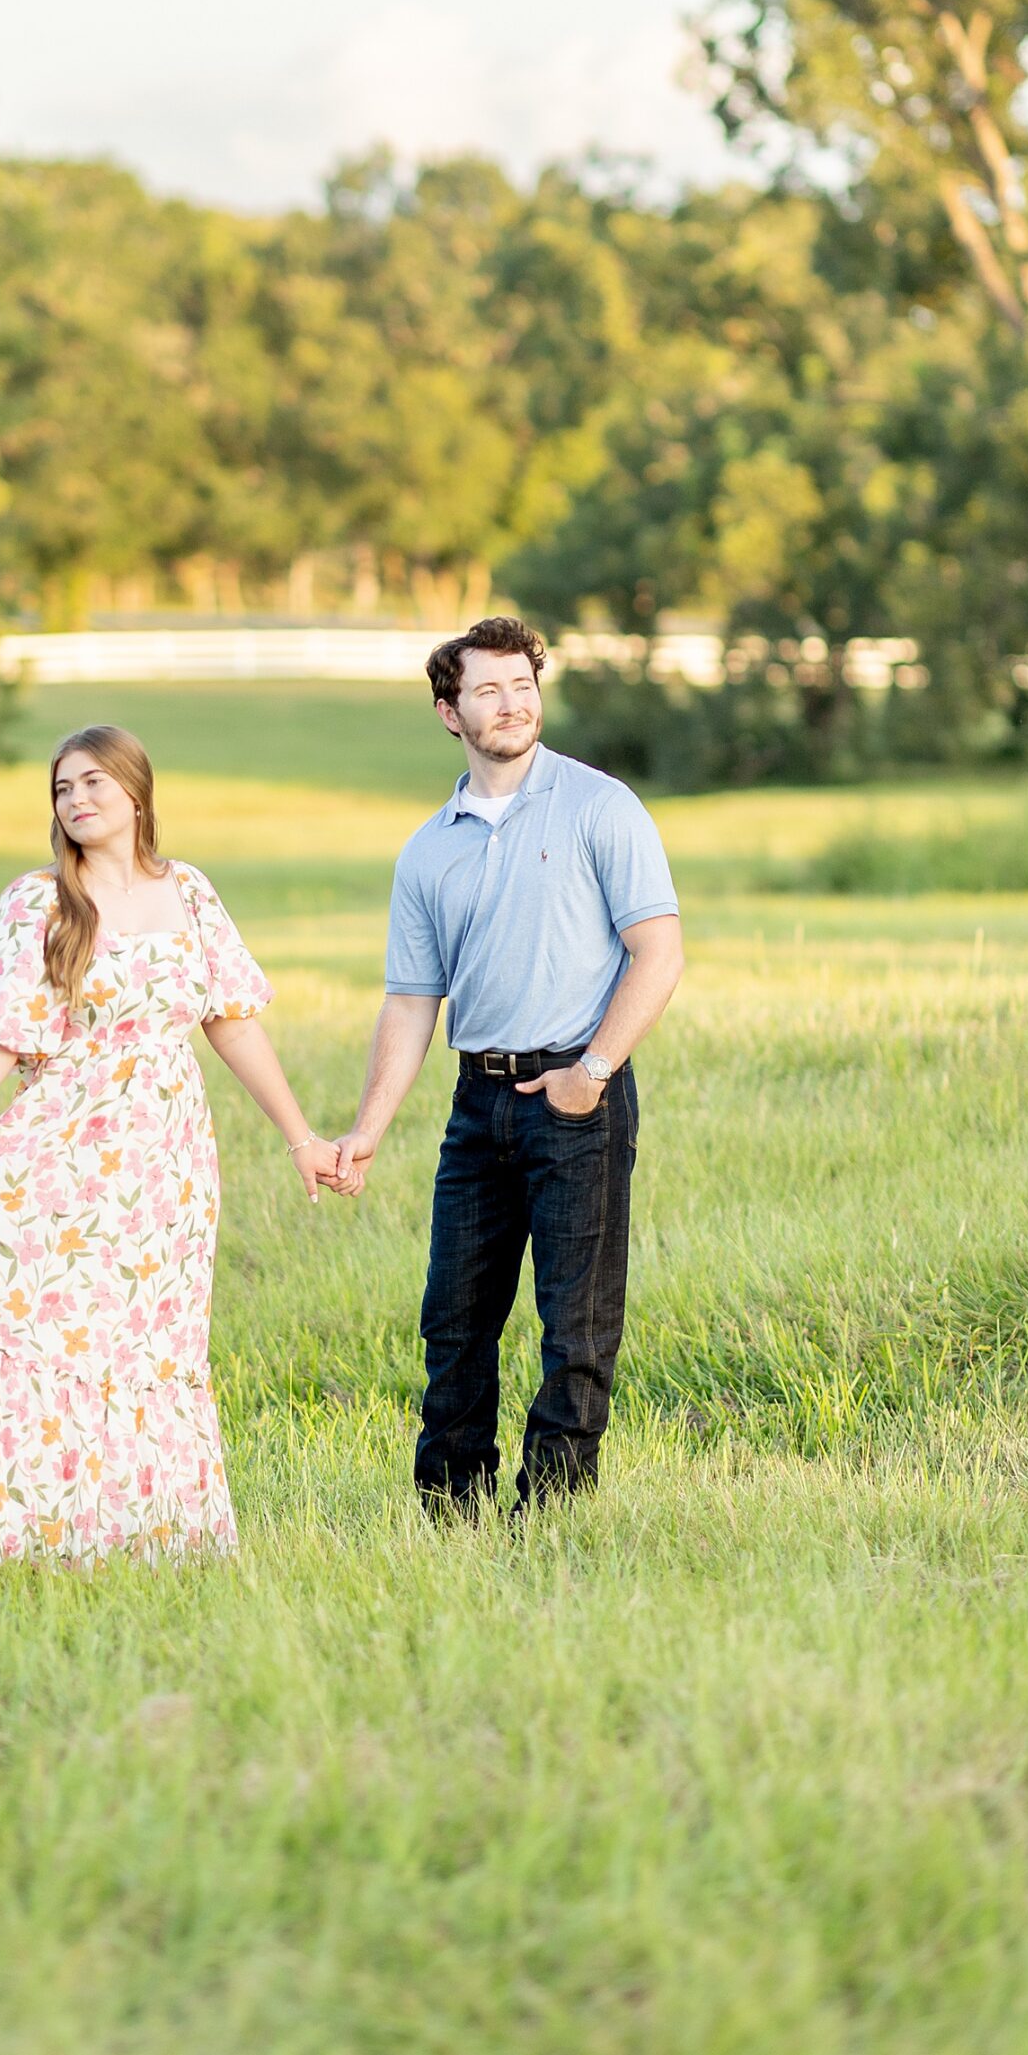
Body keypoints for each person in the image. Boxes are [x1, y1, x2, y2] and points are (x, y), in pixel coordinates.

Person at [0, 724, 340, 1567]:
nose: (77, 799)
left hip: (167, 1161)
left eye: (93, 781)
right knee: (63, 1326)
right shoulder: (39, 902)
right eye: (62, 789)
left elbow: (231, 1025)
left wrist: (298, 1137)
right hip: (61, 1147)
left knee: (151, 1340)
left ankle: (153, 1531)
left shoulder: (190, 893)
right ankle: (43, 1522)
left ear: (135, 790)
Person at [328, 618, 684, 1516]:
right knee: (453, 1324)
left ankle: (553, 1515)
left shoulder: (600, 806)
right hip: (474, 1106)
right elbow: (412, 1003)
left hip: (578, 1097)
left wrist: (590, 1072)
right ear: (449, 712)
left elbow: (659, 953)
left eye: (521, 684)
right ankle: (450, 1510)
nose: (510, 703)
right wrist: (366, 1131)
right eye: (486, 690)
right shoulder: (427, 849)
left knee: (575, 1326)